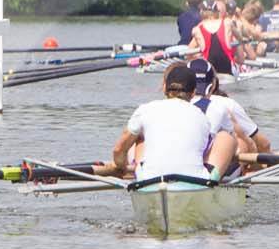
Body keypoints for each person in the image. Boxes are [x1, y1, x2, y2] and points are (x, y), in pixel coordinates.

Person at [102, 63, 239, 181]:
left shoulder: (145, 109)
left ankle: (138, 173)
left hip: (149, 182)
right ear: (193, 92)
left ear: (164, 88)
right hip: (196, 183)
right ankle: (213, 181)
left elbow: (118, 150)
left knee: (140, 138)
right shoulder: (202, 117)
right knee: (227, 138)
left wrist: (121, 167)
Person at [188, 58, 273, 173]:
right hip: (208, 172)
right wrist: (260, 166)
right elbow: (264, 145)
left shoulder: (167, 105)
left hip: (170, 170)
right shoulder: (226, 105)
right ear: (213, 84)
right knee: (239, 143)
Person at [187, 0, 237, 77]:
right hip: (228, 69)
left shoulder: (197, 29)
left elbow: (188, 54)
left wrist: (198, 57)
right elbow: (240, 43)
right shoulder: (228, 23)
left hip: (211, 69)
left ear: (201, 12)